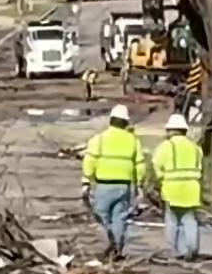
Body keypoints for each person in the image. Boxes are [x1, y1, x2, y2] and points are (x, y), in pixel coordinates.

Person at [82, 103, 148, 260]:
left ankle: (107, 246)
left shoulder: (100, 139)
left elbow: (90, 161)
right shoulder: (132, 141)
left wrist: (86, 181)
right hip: (124, 186)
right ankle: (117, 248)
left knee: (101, 217)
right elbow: (139, 164)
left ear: (111, 120)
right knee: (120, 218)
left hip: (104, 185)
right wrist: (139, 184)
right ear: (126, 122)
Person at [152, 113, 204, 261]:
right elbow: (200, 167)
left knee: (172, 220)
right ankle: (191, 248)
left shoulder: (165, 146)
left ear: (170, 130)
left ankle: (173, 249)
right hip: (192, 188)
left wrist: (160, 178)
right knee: (189, 219)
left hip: (172, 188)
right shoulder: (195, 147)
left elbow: (157, 164)